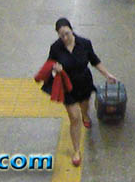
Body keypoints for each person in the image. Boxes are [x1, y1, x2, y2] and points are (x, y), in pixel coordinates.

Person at [44, 18, 117, 168]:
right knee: (74, 118)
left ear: (72, 30)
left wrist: (107, 74)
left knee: (84, 106)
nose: (64, 38)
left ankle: (86, 115)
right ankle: (76, 150)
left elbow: (94, 60)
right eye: (61, 35)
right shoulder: (55, 48)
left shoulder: (84, 43)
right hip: (67, 86)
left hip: (83, 82)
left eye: (66, 34)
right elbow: (50, 64)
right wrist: (55, 69)